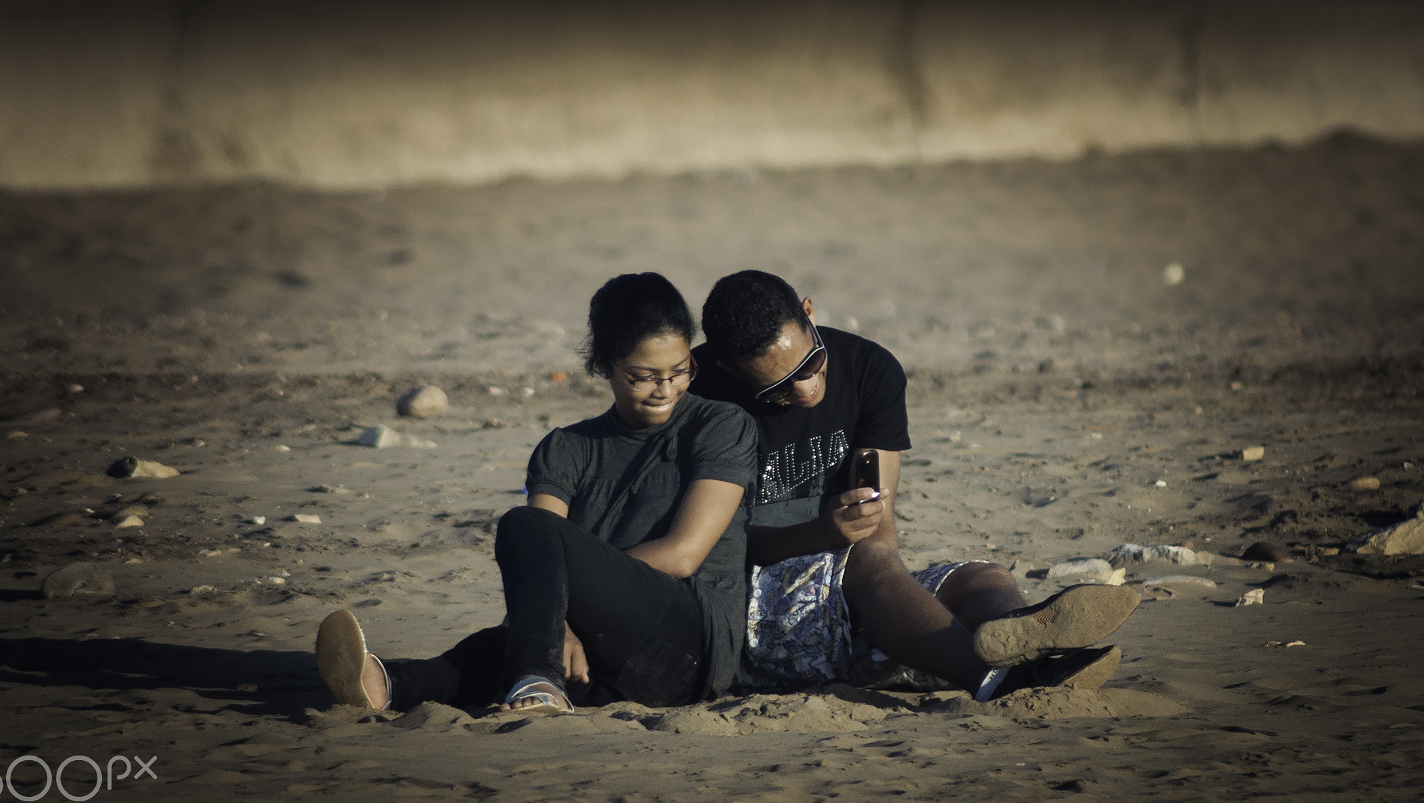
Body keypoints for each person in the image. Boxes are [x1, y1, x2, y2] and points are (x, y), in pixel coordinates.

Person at [315, 272, 757, 714]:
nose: (667, 389)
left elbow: (683, 555)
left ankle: (536, 678)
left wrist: (561, 611)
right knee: (502, 641)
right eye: (644, 376)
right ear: (604, 364)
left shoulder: (720, 426)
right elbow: (538, 551)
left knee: (527, 551)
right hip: (595, 659)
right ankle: (388, 684)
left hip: (685, 651)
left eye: (681, 371)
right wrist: (558, 625)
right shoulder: (566, 448)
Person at [691, 269, 1140, 700]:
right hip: (755, 606)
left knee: (983, 578)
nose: (807, 389)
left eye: (812, 362)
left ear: (809, 311)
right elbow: (712, 545)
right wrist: (826, 535)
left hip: (849, 582)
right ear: (730, 368)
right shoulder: (700, 399)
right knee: (865, 559)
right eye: (779, 389)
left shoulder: (869, 369)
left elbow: (879, 518)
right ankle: (997, 682)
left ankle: (1023, 640)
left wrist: (881, 631)